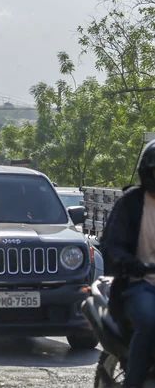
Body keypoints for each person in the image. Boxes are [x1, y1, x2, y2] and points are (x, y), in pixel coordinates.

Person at [100, 139, 155, 388]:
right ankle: (133, 383)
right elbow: (111, 245)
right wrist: (130, 264)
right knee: (150, 321)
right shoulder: (130, 204)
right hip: (140, 284)